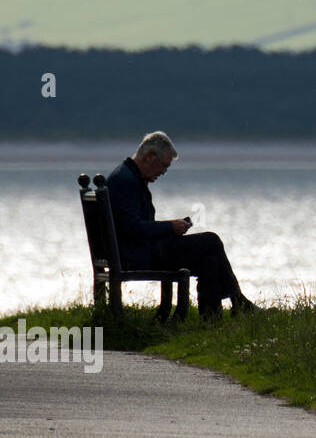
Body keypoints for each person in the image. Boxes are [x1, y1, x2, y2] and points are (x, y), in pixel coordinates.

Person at [105, 131, 257, 320]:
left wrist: (171, 228)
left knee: (209, 260)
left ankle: (212, 320)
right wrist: (170, 227)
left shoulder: (127, 177)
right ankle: (238, 301)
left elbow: (135, 226)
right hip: (137, 255)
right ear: (150, 157)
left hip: (137, 251)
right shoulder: (126, 181)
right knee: (211, 240)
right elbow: (132, 228)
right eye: (163, 166)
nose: (163, 172)